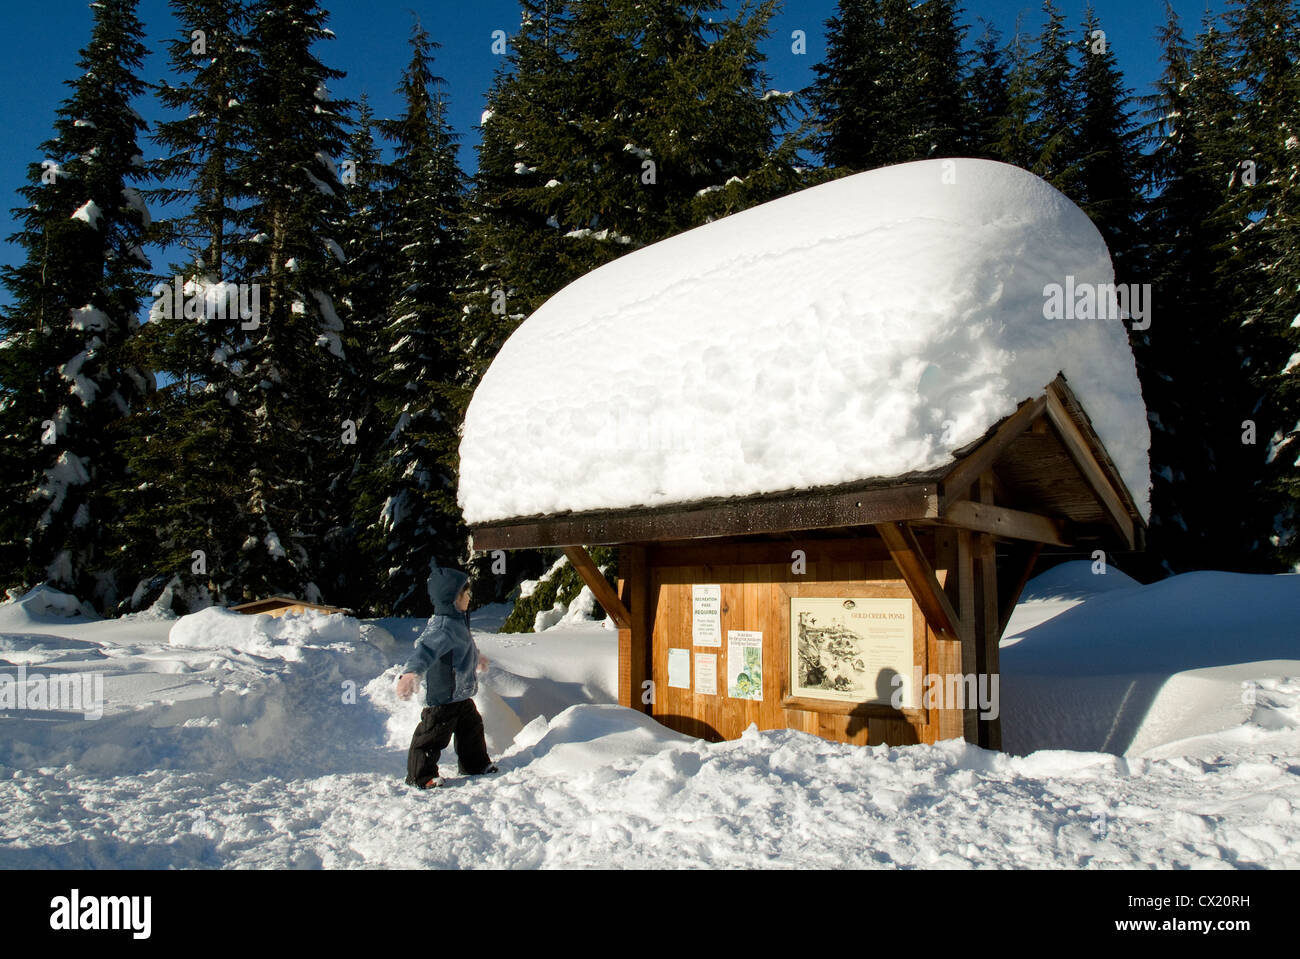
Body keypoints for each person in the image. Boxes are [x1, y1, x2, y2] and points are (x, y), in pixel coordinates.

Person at [396, 564, 497, 789]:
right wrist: (411, 674)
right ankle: (420, 776)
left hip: (460, 695)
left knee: (472, 728)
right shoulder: (442, 627)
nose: (469, 596)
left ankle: (475, 764)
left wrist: (477, 657)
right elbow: (424, 652)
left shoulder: (458, 622)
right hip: (443, 697)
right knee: (432, 737)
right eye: (466, 592)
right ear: (452, 597)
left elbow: (464, 647)